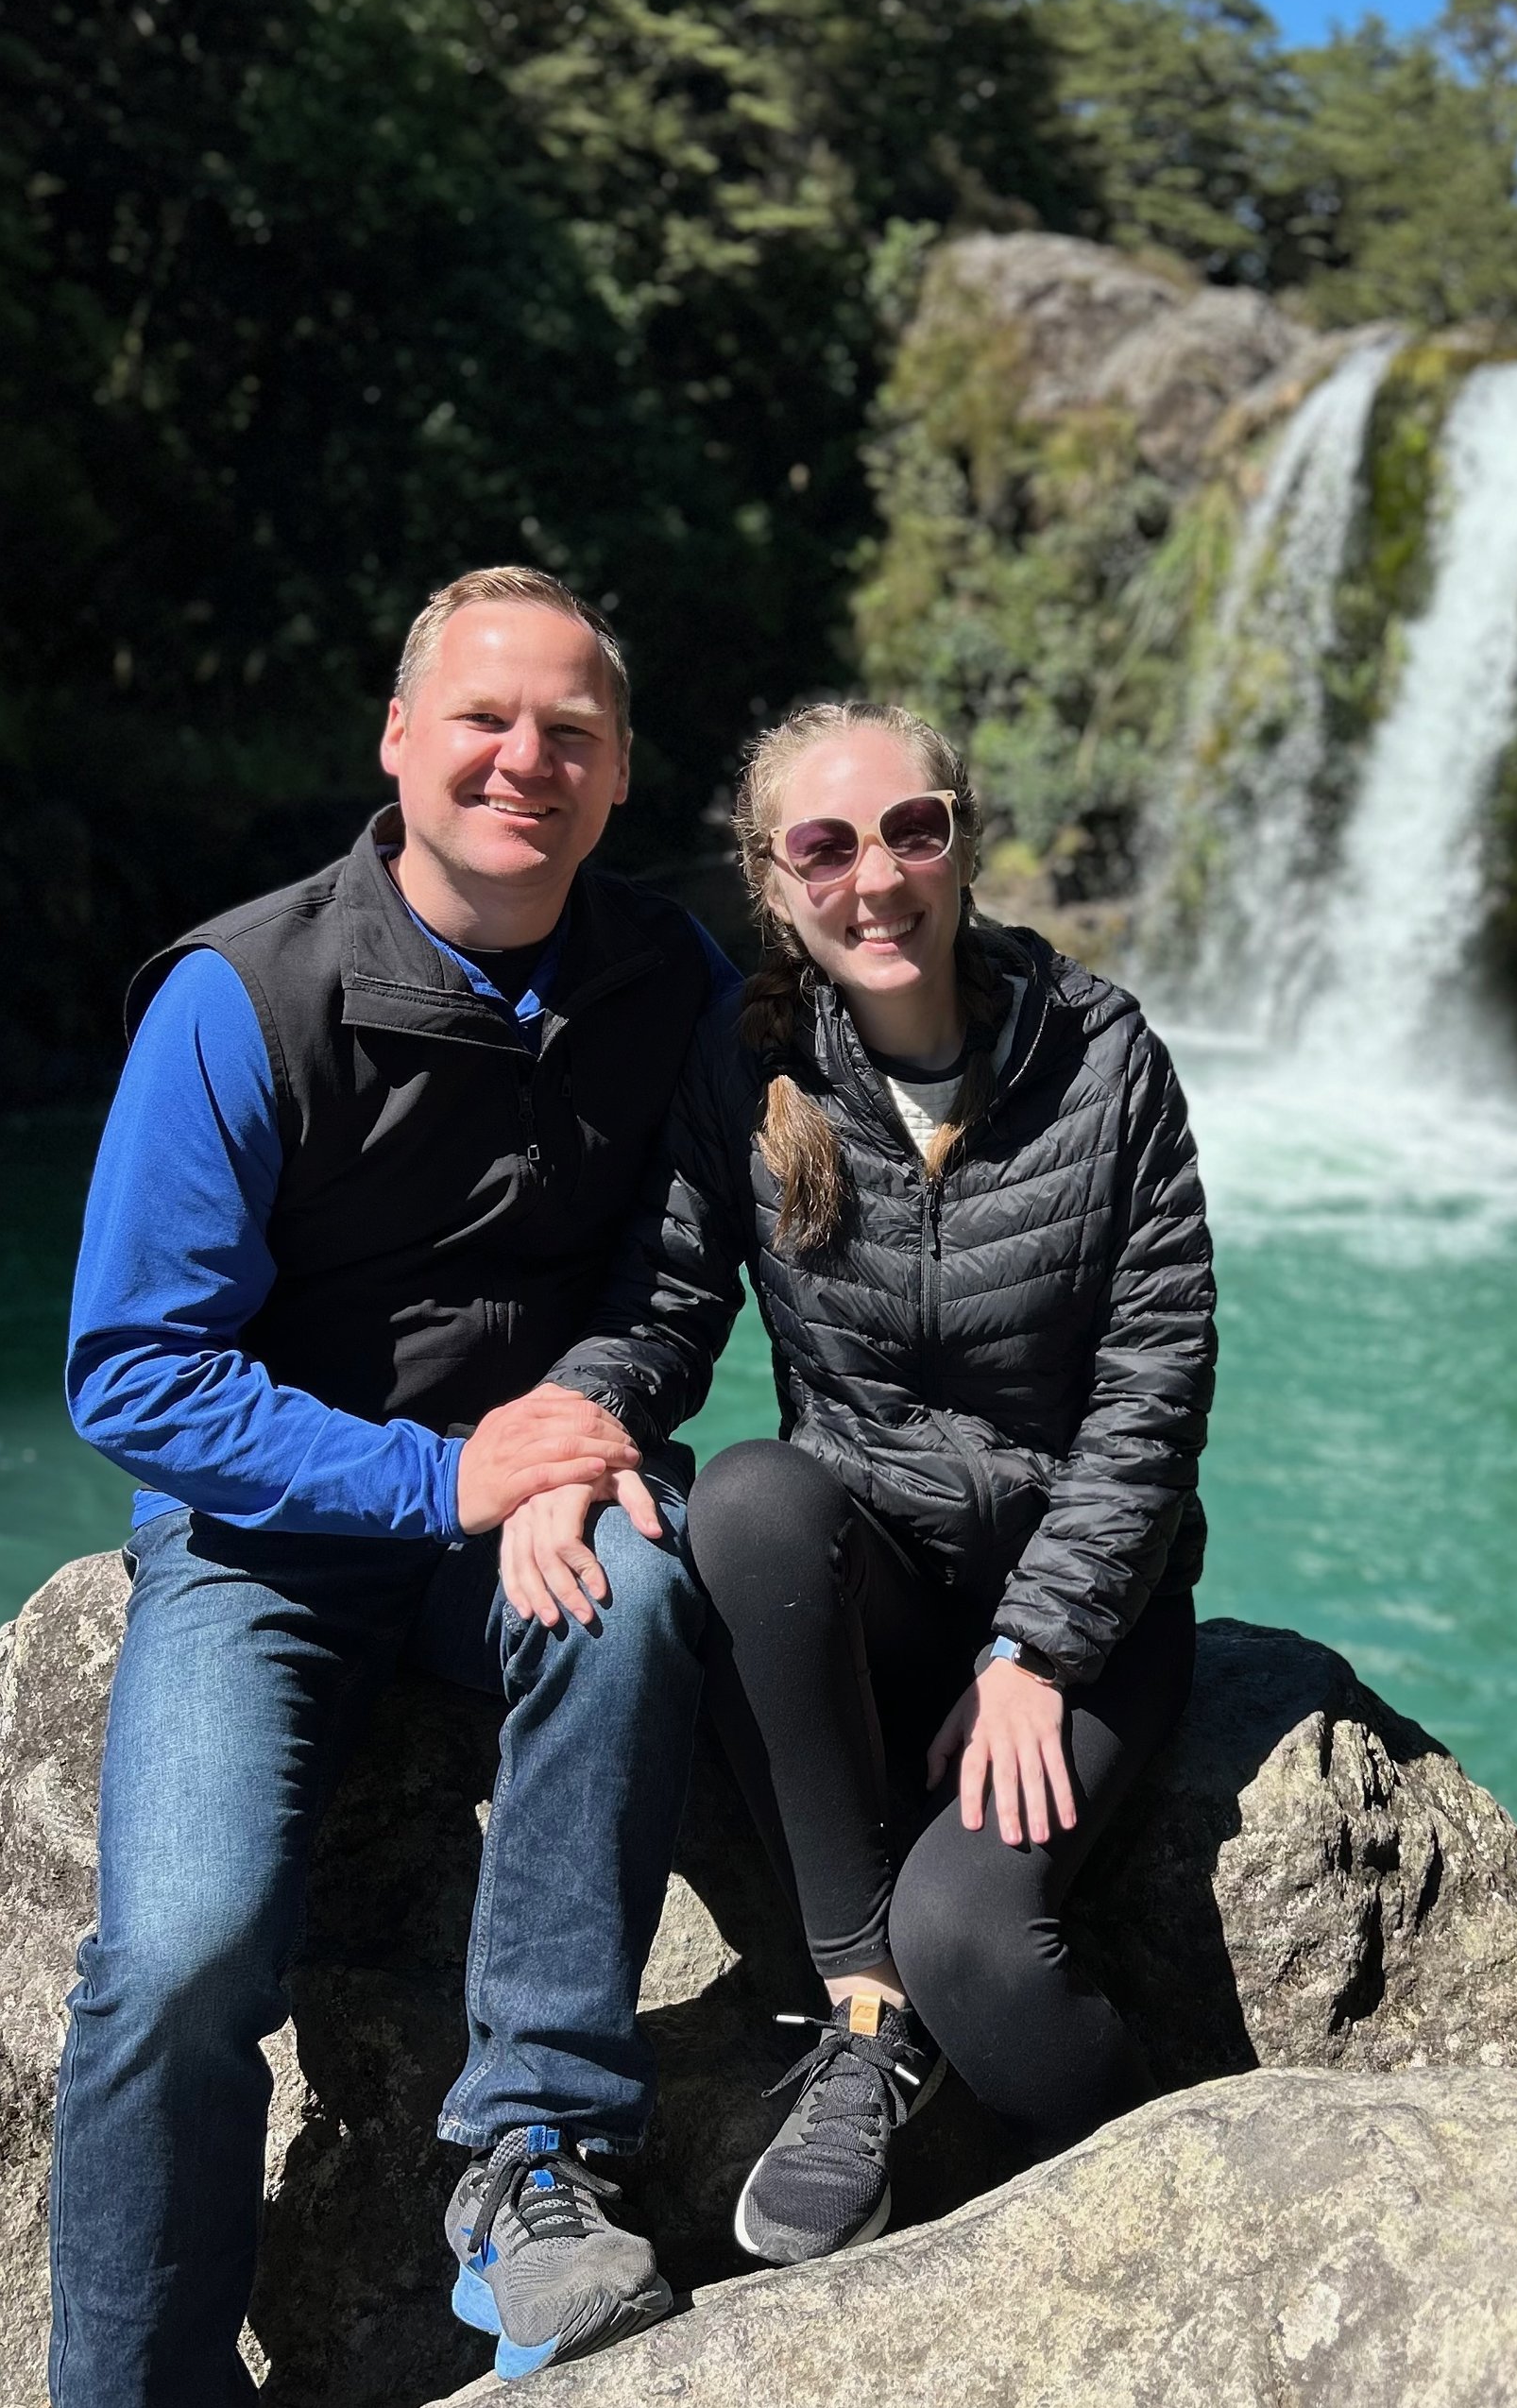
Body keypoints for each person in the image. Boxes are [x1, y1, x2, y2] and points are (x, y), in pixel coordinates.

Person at [0, 569, 735, 2408]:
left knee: (642, 1587)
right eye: (485, 719)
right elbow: (134, 1368)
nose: (525, 760)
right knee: (187, 1948)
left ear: (615, 772)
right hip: (267, 1541)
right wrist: (433, 1476)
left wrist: (592, 1426)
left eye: (571, 731)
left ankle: (533, 2161)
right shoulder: (242, 993)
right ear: (396, 742)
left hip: (517, 1515)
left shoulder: (667, 972)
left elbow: (676, 1270)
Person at [507, 698, 1218, 2269]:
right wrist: (571, 1432)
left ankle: (1187, 2219)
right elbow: (669, 1302)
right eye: (826, 845)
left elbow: (1154, 1392)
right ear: (775, 881)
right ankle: (859, 2010)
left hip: (1082, 1622)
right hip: (876, 1589)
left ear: (964, 838)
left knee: (985, 1947)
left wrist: (1038, 1651)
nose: (877, 877)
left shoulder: (1104, 1057)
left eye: (914, 830)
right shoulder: (754, 1062)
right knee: (750, 1495)